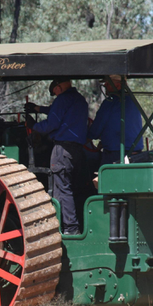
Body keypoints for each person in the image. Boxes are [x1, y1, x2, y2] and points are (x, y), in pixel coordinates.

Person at [24, 78, 89, 235]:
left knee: (62, 189)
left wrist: (34, 126)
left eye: (55, 92)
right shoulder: (80, 100)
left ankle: (70, 229)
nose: (56, 95)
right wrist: (38, 109)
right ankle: (80, 223)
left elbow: (52, 123)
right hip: (78, 151)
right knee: (74, 187)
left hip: (62, 150)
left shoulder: (62, 99)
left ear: (59, 88)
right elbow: (59, 111)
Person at [88, 75, 143, 165]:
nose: (105, 85)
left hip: (116, 155)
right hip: (136, 154)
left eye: (108, 83)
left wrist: (84, 138)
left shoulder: (109, 102)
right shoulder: (133, 101)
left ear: (117, 86)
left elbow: (95, 131)